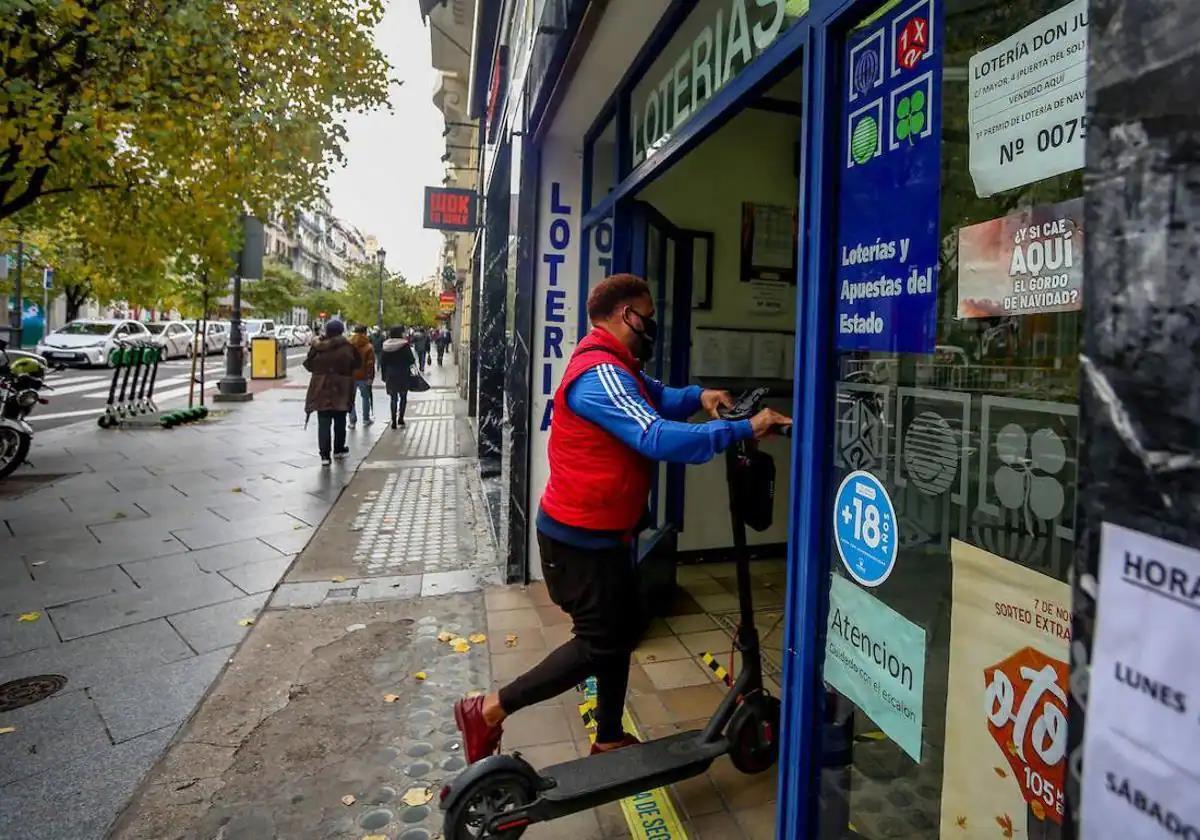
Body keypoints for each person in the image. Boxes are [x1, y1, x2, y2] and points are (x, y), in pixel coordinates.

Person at [453, 274, 790, 763]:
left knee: (623, 628)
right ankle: (487, 710)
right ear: (625, 314)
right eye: (647, 316)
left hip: (603, 537)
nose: (652, 325)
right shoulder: (599, 375)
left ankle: (608, 735)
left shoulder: (618, 366)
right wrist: (743, 427)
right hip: (576, 543)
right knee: (599, 643)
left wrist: (701, 397)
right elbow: (655, 436)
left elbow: (659, 397)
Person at [303, 319, 361, 465]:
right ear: (341, 331)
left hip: (321, 387)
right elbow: (357, 364)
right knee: (340, 420)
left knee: (323, 421)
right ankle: (339, 449)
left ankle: (324, 456)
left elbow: (308, 365)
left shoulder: (318, 346)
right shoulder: (347, 346)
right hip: (341, 388)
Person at [379, 325, 418, 429]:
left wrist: (384, 375)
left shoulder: (386, 345)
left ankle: (393, 421)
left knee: (393, 398)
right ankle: (401, 418)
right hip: (403, 373)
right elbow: (411, 360)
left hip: (390, 374)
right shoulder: (404, 345)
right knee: (403, 396)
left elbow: (382, 363)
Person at [347, 324, 376, 428]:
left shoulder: (349, 344)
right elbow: (370, 364)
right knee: (365, 397)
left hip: (350, 376)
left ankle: (352, 421)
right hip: (363, 376)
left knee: (351, 399)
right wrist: (370, 377)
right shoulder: (368, 346)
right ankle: (366, 419)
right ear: (365, 332)